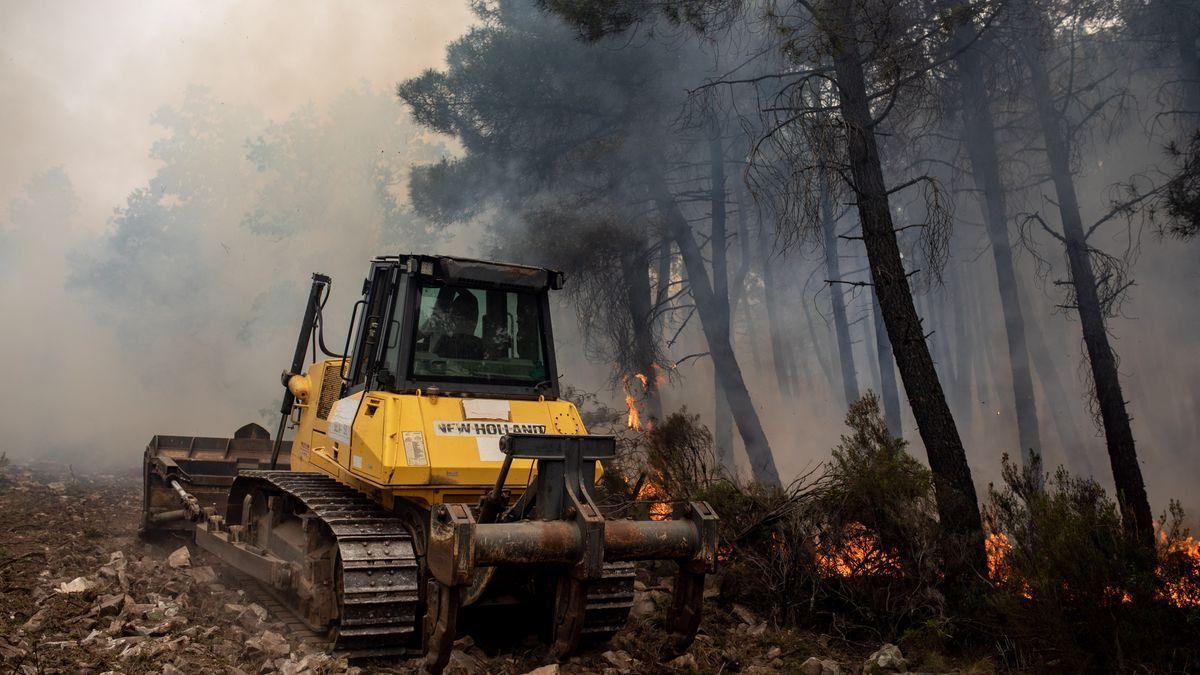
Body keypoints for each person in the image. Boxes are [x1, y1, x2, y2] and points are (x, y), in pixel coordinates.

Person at [433, 290, 485, 359]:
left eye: (469, 316)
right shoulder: (445, 341)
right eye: (459, 316)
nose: (464, 321)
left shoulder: (477, 345)